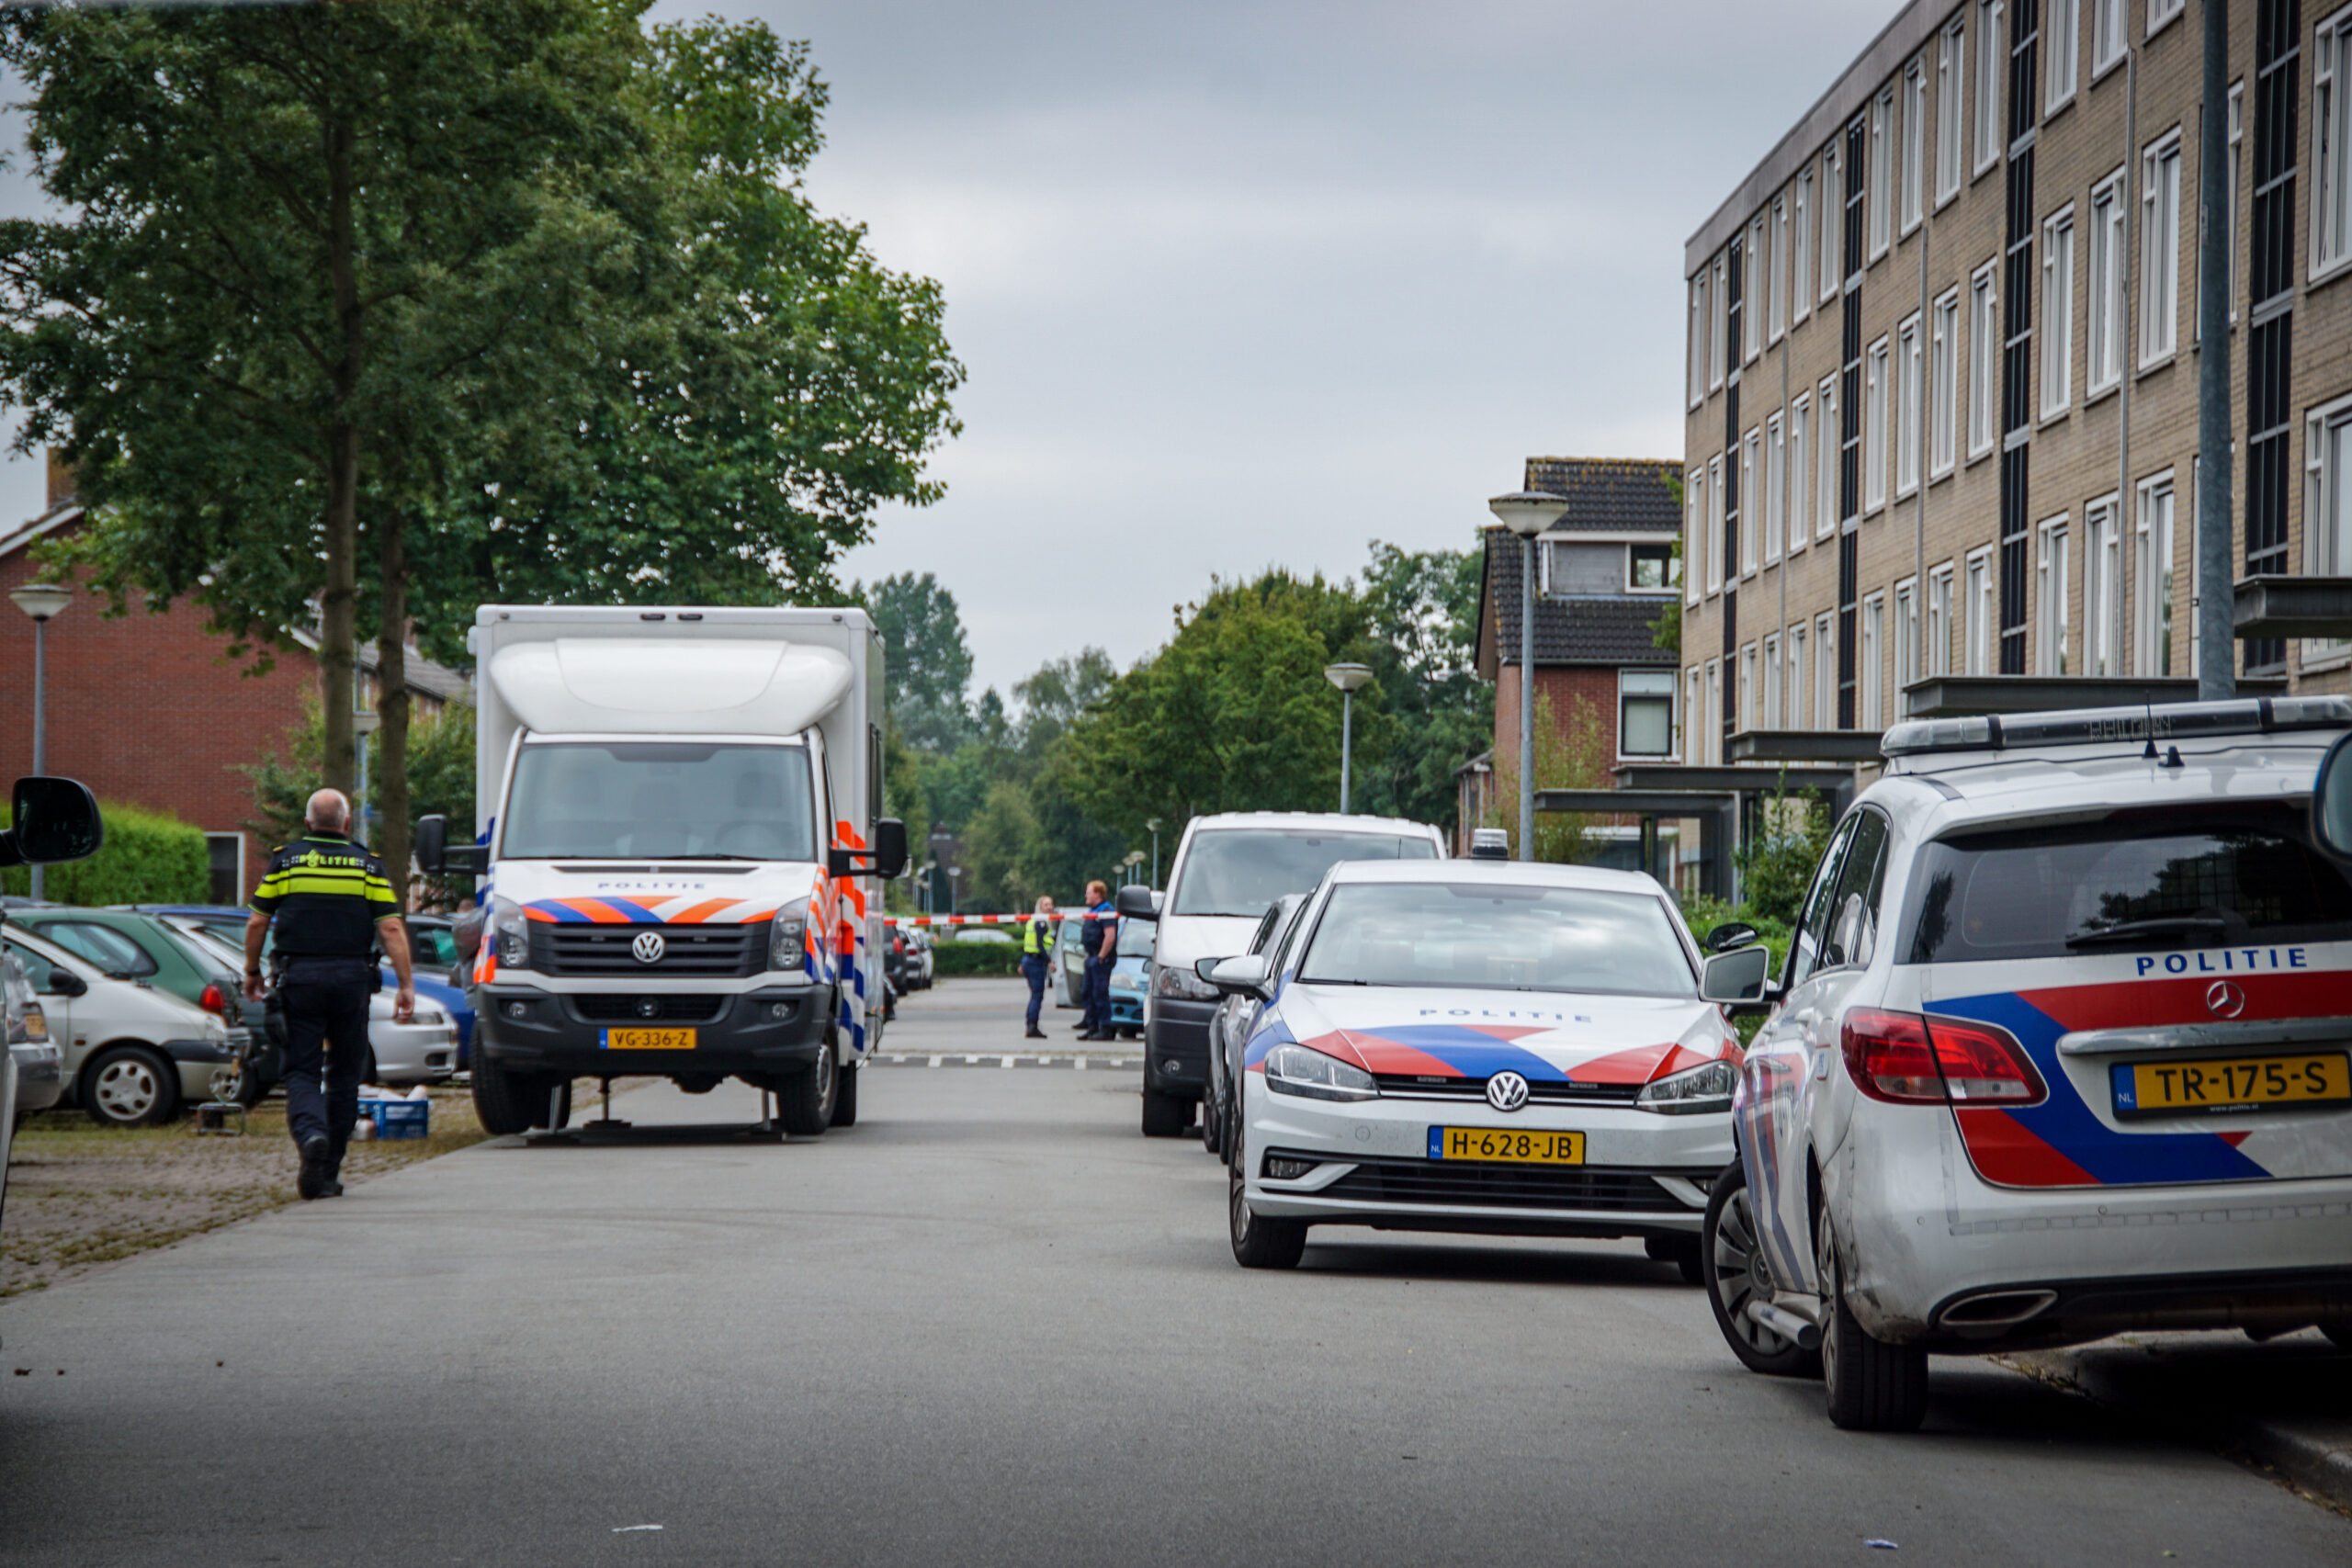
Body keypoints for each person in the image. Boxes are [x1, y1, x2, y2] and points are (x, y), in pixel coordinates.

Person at [243, 789, 415, 1201]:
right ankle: (327, 1170)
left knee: (301, 1070)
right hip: (352, 982)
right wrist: (406, 985)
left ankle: (311, 1135)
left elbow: (256, 923)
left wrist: (251, 972)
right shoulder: (367, 866)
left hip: (299, 980)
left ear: (307, 824)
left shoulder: (287, 861)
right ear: (347, 823)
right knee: (344, 1075)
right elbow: (390, 929)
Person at [1079, 880, 1118, 1042]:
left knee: (1099, 993)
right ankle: (1092, 1027)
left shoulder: (1106, 911)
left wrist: (1101, 956)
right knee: (1087, 993)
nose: (1086, 895)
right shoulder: (1093, 910)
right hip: (1092, 957)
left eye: (1089, 892)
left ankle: (1106, 1028)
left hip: (1101, 959)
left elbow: (1110, 936)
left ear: (1098, 894)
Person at [1019, 896, 1057, 1040]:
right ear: (1040, 906)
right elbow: (1040, 945)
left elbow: (1029, 942)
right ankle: (1032, 1026)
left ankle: (1030, 1024)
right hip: (1035, 962)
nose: (1049, 907)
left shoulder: (1032, 920)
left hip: (1029, 960)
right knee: (1037, 995)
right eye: (1046, 904)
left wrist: (1023, 962)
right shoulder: (1041, 922)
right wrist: (1049, 962)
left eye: (1050, 904)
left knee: (1034, 995)